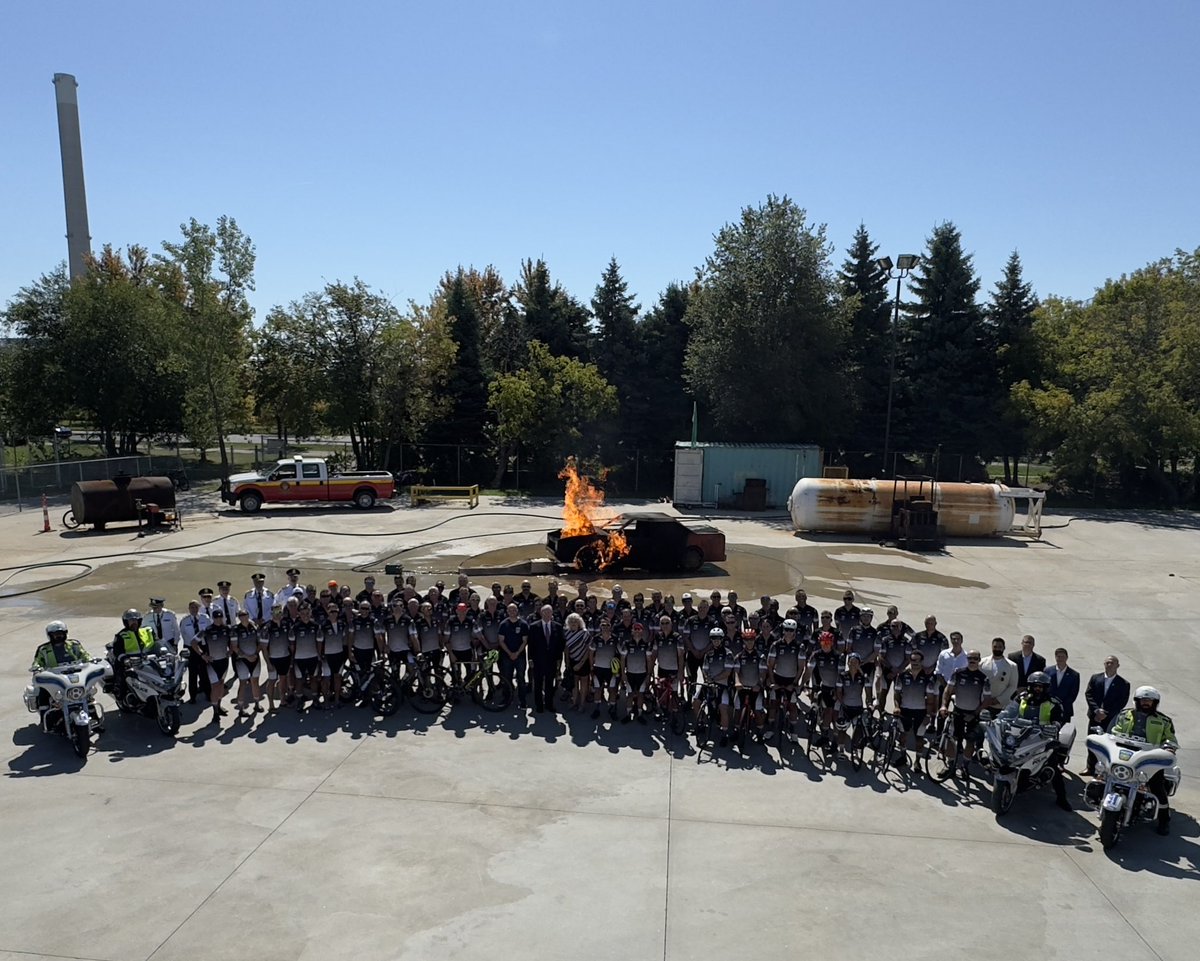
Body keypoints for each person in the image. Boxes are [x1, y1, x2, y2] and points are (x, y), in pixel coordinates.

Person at [1106, 687, 1179, 834]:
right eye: (1144, 700)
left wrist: (1169, 748)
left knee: (1158, 787)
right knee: (1103, 773)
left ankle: (1164, 820)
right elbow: (1113, 731)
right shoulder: (1124, 714)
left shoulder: (1164, 720)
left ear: (1155, 703)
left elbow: (1170, 739)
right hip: (1124, 754)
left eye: (1150, 701)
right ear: (1137, 701)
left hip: (1149, 760)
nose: (1146, 703)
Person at [1012, 672, 1071, 811]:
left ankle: (1062, 798)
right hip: (1020, 735)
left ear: (1046, 688)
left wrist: (1054, 727)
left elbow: (1059, 720)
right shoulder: (1021, 698)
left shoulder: (1053, 703)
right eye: (1035, 686)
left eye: (1041, 687)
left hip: (1044, 737)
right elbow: (1010, 711)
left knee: (1053, 766)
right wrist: (1002, 719)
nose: (1038, 689)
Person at [938, 650, 995, 778]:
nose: (972, 660)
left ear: (979, 660)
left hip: (972, 715)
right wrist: (943, 706)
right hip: (957, 711)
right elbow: (947, 691)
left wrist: (975, 713)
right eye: (970, 658)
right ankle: (950, 766)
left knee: (970, 743)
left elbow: (987, 700)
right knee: (952, 740)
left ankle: (964, 767)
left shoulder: (983, 678)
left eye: (975, 658)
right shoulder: (958, 673)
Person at [1083, 655, 1130, 774]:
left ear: (1117, 666)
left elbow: (1121, 702)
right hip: (1095, 716)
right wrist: (1096, 711)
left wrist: (1106, 713)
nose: (1109, 665)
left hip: (1110, 719)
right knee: (1092, 742)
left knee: (1106, 745)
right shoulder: (1095, 678)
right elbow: (1089, 695)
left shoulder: (1123, 683)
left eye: (1112, 663)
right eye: (1107, 663)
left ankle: (1103, 770)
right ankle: (1090, 767)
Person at [31, 621, 92, 710]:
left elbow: (84, 655)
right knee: (43, 693)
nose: (58, 636)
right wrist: (36, 667)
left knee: (88, 693)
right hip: (54, 676)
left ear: (65, 633)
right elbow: (38, 661)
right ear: (50, 636)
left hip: (75, 674)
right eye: (55, 634)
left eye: (60, 634)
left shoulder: (74, 645)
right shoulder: (43, 649)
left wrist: (90, 660)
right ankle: (44, 717)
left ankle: (92, 713)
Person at [892, 650, 937, 767]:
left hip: (920, 712)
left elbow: (931, 700)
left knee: (919, 739)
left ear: (922, 661)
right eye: (912, 660)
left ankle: (917, 762)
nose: (914, 663)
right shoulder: (901, 676)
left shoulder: (928, 678)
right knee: (902, 736)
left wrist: (928, 715)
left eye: (917, 660)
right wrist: (897, 707)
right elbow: (896, 694)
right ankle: (903, 757)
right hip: (904, 711)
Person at [766, 618, 804, 741]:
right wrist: (773, 682)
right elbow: (770, 665)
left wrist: (794, 683)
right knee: (773, 705)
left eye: (791, 630)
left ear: (794, 632)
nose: (788, 632)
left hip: (791, 680)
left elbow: (801, 667)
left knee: (792, 706)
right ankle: (771, 729)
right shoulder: (775, 645)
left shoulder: (799, 646)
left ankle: (793, 731)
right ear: (783, 630)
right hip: (778, 678)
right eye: (786, 629)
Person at [695, 627, 734, 746]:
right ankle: (702, 723)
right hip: (709, 684)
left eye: (718, 638)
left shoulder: (728, 654)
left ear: (722, 639)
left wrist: (714, 679)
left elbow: (727, 672)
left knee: (722, 708)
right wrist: (707, 679)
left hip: (722, 685)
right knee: (696, 701)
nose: (715, 641)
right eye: (713, 638)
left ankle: (724, 733)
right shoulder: (709, 654)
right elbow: (705, 670)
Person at [803, 631, 842, 747]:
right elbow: (808, 671)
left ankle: (835, 741)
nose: (826, 644)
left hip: (836, 688)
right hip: (824, 686)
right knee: (826, 712)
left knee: (834, 714)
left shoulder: (838, 656)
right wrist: (801, 684)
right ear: (820, 642)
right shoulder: (816, 655)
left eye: (828, 642)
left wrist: (837, 691)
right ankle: (824, 736)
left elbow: (841, 675)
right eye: (823, 642)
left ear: (832, 643)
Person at [111, 608, 160, 700]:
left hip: (147, 660)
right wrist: (125, 659)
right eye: (131, 620)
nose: (134, 622)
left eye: (136, 620)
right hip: (130, 663)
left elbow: (156, 643)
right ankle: (122, 697)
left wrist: (162, 651)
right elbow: (117, 651)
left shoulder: (146, 631)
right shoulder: (121, 635)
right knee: (123, 678)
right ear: (126, 622)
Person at [194, 609, 232, 723]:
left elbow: (233, 642)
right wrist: (202, 655)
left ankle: (219, 706)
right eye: (216, 618)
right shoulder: (207, 630)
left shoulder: (227, 629)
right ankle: (215, 712)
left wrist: (231, 651)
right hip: (212, 663)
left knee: (221, 685)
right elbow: (193, 642)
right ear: (213, 618)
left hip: (224, 662)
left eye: (220, 617)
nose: (219, 619)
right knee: (215, 686)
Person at [732, 629, 767, 742]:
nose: (749, 642)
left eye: (751, 639)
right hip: (742, 687)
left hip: (755, 688)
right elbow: (736, 672)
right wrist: (737, 682)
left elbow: (762, 674)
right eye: (747, 640)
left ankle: (760, 732)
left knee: (757, 711)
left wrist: (758, 684)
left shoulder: (760, 656)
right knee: (737, 709)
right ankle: (737, 730)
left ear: (754, 640)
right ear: (743, 641)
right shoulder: (738, 656)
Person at [529, 604, 564, 714]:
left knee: (549, 684)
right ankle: (539, 705)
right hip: (538, 660)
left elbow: (560, 644)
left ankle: (549, 704)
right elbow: (531, 645)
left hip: (551, 661)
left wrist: (559, 659)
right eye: (545, 612)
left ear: (552, 613)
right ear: (541, 613)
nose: (547, 614)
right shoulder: (534, 626)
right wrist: (530, 659)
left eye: (549, 612)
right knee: (538, 684)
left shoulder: (557, 626)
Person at [260, 605, 293, 711]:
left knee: (283, 680)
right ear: (271, 613)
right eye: (275, 612)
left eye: (279, 612)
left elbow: (291, 642)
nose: (277, 614)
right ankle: (271, 704)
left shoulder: (286, 624)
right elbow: (264, 648)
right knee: (272, 681)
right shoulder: (267, 627)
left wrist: (291, 657)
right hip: (273, 659)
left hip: (285, 657)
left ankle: (283, 700)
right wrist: (268, 663)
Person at [497, 603, 530, 711]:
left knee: (521, 678)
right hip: (506, 656)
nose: (512, 612)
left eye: (514, 610)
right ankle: (506, 699)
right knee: (507, 678)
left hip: (520, 656)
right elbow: (501, 641)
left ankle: (522, 700)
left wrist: (516, 653)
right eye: (510, 610)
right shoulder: (503, 624)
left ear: (517, 611)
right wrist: (510, 653)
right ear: (507, 611)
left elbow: (525, 641)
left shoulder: (523, 624)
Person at [231, 610, 263, 717]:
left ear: (248, 616)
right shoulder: (235, 630)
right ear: (238, 617)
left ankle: (257, 704)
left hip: (255, 658)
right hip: (242, 660)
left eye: (245, 615)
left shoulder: (254, 627)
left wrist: (256, 653)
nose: (243, 617)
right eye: (241, 615)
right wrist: (247, 656)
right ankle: (241, 708)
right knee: (243, 683)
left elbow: (260, 643)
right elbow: (235, 647)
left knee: (255, 682)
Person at [620, 621, 653, 723]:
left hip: (642, 674)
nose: (637, 631)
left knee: (640, 695)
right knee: (630, 695)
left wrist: (648, 675)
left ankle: (639, 715)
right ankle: (628, 714)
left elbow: (649, 661)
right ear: (632, 631)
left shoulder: (646, 645)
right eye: (635, 629)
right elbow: (622, 659)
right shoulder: (626, 644)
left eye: (639, 629)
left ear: (642, 631)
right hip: (630, 673)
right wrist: (623, 674)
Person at [179, 599, 211, 704]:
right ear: (189, 609)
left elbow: (208, 631)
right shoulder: (185, 621)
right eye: (192, 607)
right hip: (190, 649)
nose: (194, 609)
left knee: (204, 673)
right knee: (192, 674)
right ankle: (192, 697)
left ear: (199, 608)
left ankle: (208, 694)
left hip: (203, 646)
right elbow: (183, 635)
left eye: (196, 607)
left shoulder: (205, 618)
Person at [591, 619, 621, 720]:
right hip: (598, 668)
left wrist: (618, 667)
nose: (605, 627)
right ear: (600, 626)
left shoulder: (615, 639)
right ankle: (596, 709)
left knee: (612, 690)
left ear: (611, 627)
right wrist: (591, 666)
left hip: (611, 670)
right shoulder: (595, 638)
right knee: (598, 689)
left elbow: (621, 652)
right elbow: (591, 653)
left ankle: (612, 709)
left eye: (607, 625)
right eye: (603, 625)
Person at [563, 612, 593, 710]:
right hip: (572, 661)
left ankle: (582, 704)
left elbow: (589, 649)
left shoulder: (585, 633)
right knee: (574, 683)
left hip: (583, 662)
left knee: (583, 684)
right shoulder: (566, 632)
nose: (573, 623)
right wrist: (567, 661)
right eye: (571, 621)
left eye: (575, 621)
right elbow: (566, 648)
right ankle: (574, 702)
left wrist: (581, 663)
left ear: (579, 622)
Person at [980, 637, 1018, 705]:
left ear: (1004, 648)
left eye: (1000, 647)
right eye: (995, 646)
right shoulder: (982, 663)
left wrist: (998, 700)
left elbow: (1013, 686)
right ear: (991, 647)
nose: (997, 649)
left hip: (1001, 704)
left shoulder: (1012, 666)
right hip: (983, 702)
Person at [1045, 648, 1080, 722]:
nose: (1060, 659)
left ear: (1067, 658)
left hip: (1065, 710)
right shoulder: (1047, 671)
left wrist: (1060, 704)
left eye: (1062, 656)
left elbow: (1073, 694)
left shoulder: (1074, 675)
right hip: (1047, 708)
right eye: (1058, 656)